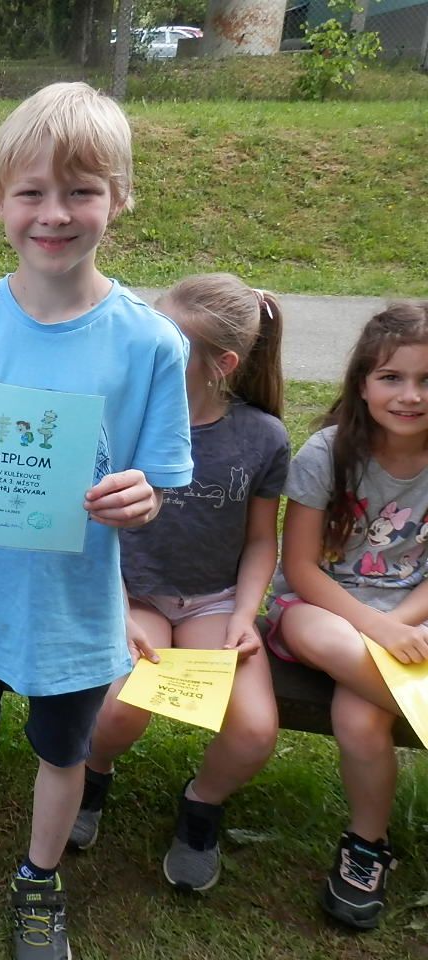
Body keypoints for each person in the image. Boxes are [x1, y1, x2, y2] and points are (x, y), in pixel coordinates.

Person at [0, 81, 193, 959]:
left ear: (120, 198)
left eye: (81, 191)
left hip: (75, 607)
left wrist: (143, 498)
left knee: (64, 754)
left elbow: (158, 480)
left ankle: (39, 877)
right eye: (31, 191)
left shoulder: (151, 344)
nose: (55, 214)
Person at [68, 275, 289, 893]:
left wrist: (245, 614)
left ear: (223, 365)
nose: (149, 349)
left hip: (215, 604)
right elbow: (88, 525)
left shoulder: (262, 437)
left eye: (169, 342)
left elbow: (260, 540)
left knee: (254, 731)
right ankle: (91, 776)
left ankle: (202, 804)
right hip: (132, 594)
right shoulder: (121, 420)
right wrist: (117, 609)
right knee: (118, 711)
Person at [265, 302, 428, 930]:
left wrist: (399, 624)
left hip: (410, 613)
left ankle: (367, 845)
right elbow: (301, 568)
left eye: (426, 380)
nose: (410, 395)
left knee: (361, 723)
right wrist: (379, 629)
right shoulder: (327, 453)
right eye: (391, 377)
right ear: (362, 383)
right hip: (319, 608)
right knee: (330, 639)